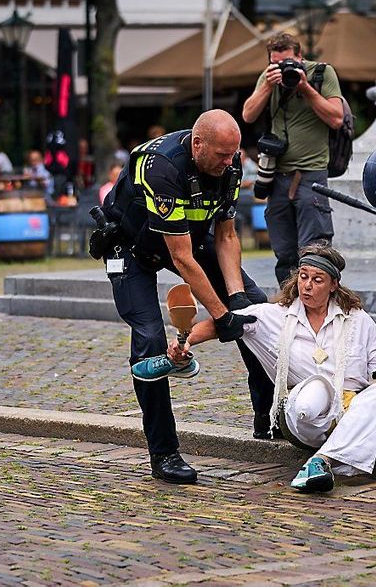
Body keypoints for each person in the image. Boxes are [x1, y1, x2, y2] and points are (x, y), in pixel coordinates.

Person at [97, 109, 276, 484]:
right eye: (222, 155)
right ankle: (164, 453)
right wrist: (220, 314)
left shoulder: (229, 163)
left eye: (234, 155)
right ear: (198, 145)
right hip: (132, 246)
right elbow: (181, 257)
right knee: (148, 339)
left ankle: (269, 416)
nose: (230, 163)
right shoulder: (162, 167)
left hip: (189, 239)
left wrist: (237, 299)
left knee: (256, 312)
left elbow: (226, 235)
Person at [155, 243, 376, 491]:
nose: (307, 286)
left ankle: (320, 462)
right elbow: (222, 323)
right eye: (303, 277)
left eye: (317, 280)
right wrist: (186, 341)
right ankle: (343, 448)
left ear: (334, 285)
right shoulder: (273, 315)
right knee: (317, 388)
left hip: (349, 411)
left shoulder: (358, 321)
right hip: (304, 416)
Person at [241, 32, 345, 285]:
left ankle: (317, 303)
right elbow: (247, 115)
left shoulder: (321, 74)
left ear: (300, 57)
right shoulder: (268, 79)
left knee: (315, 251)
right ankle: (290, 305)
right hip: (277, 177)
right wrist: (267, 84)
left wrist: (305, 88)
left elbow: (336, 118)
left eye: (288, 62)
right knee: (285, 251)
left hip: (311, 174)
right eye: (275, 63)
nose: (282, 68)